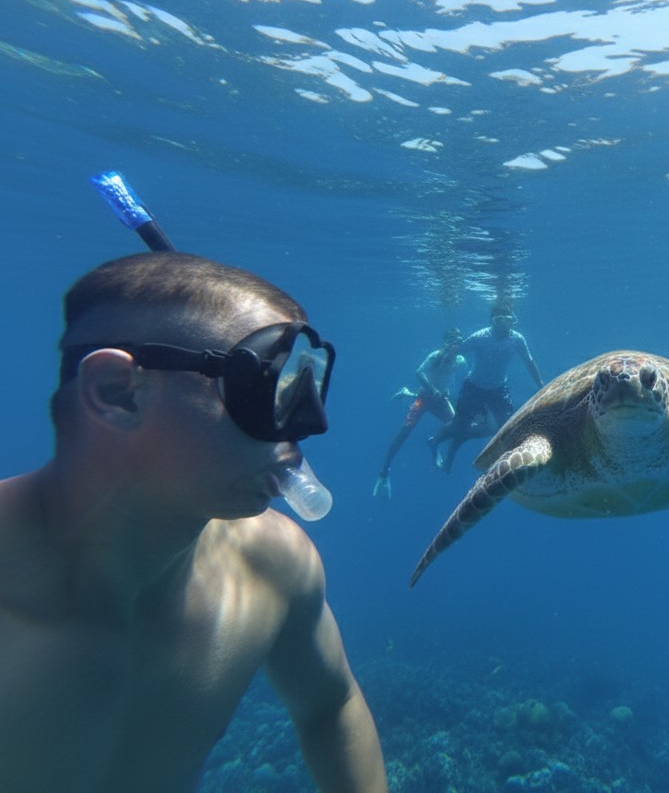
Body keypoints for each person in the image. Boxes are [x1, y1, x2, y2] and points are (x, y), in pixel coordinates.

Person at [0, 252, 387, 793]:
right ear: (117, 392)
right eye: (269, 385)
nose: (307, 425)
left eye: (307, 388)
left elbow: (331, 706)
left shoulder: (273, 564)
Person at [428, 302, 544, 473]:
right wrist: (449, 351)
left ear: (513, 321)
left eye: (507, 319)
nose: (503, 324)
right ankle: (435, 441)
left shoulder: (517, 339)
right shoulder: (480, 337)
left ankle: (458, 448)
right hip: (473, 388)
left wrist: (540, 385)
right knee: (458, 425)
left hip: (498, 389)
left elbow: (529, 362)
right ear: (492, 321)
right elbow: (456, 352)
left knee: (504, 428)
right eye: (499, 320)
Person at [372, 327, 467, 498]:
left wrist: (447, 393)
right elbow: (418, 372)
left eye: (458, 341)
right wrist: (433, 389)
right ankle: (384, 472)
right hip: (423, 399)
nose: (456, 344)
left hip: (440, 401)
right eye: (452, 341)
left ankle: (434, 443)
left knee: (456, 426)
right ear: (445, 343)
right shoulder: (435, 356)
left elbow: (453, 377)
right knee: (404, 433)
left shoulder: (459, 360)